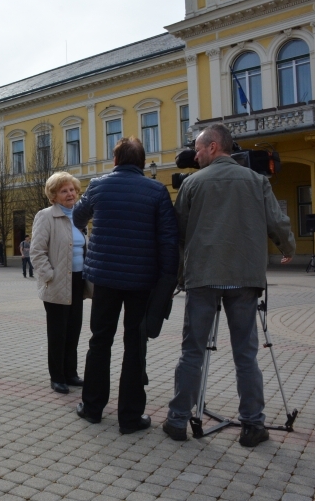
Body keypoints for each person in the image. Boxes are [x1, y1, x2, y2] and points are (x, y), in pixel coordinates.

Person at [163, 124, 295, 447]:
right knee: (245, 355)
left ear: (213, 147)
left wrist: (179, 276)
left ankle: (178, 420)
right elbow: (277, 221)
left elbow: (178, 234)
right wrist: (287, 248)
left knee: (192, 351)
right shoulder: (257, 181)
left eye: (197, 149)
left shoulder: (192, 185)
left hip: (203, 279)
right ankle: (252, 425)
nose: (193, 155)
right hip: (244, 278)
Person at [72, 138, 179, 432]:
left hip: (104, 279)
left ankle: (92, 407)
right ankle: (130, 417)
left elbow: (78, 217)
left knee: (100, 341)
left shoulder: (98, 185)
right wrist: (169, 279)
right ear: (142, 162)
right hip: (142, 282)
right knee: (135, 345)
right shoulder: (157, 190)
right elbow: (169, 240)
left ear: (115, 160)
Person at [31, 172, 88, 395]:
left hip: (78, 280)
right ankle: (57, 377)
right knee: (58, 332)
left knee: (74, 329)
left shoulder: (80, 216)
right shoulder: (46, 216)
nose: (70, 194)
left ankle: (71, 372)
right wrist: (50, 276)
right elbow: (36, 252)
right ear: (54, 196)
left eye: (72, 189)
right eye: (64, 191)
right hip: (56, 282)